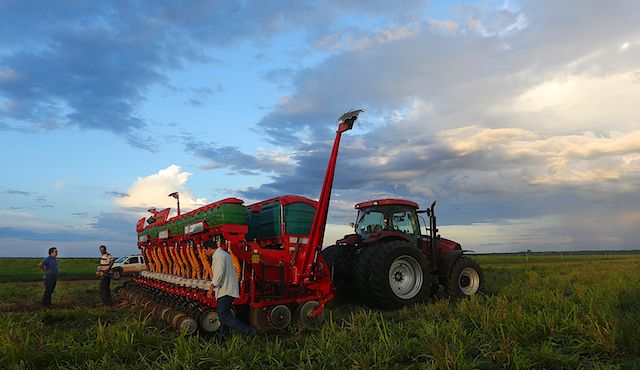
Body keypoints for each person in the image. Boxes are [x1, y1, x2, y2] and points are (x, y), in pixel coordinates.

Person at [204, 239, 255, 338]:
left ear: (210, 249)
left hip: (225, 290)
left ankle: (248, 331)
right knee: (224, 316)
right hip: (227, 289)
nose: (205, 253)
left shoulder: (218, 256)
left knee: (223, 316)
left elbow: (219, 273)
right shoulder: (223, 254)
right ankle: (224, 339)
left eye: (205, 251)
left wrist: (211, 287)